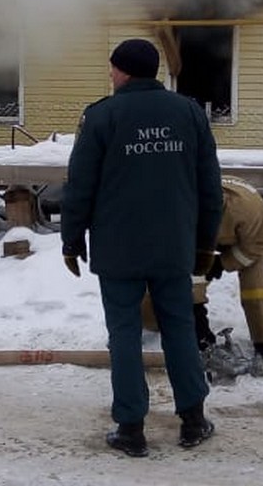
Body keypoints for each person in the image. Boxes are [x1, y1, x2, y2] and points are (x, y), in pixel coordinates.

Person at [61, 38, 223, 458]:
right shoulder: (189, 113)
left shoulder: (101, 117)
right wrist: (205, 243)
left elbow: (80, 184)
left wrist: (71, 238)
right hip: (174, 245)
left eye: (113, 68)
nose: (110, 75)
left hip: (118, 248)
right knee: (179, 328)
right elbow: (210, 187)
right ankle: (193, 419)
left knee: (125, 334)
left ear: (125, 71)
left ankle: (131, 428)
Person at [144, 175, 263, 358]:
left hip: (245, 240)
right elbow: (185, 265)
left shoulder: (250, 209)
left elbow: (255, 248)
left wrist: (222, 263)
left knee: (256, 280)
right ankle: (161, 323)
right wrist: (197, 317)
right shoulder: (179, 210)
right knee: (172, 281)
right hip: (197, 242)